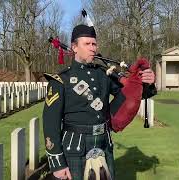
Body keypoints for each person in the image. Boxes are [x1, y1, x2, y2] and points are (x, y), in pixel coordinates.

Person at [42, 24, 156, 180]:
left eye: (94, 44)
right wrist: (57, 164)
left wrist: (146, 82)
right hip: (75, 146)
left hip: (103, 143)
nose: (92, 48)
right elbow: (50, 123)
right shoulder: (61, 80)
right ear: (74, 47)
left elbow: (130, 94)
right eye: (87, 44)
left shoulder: (104, 74)